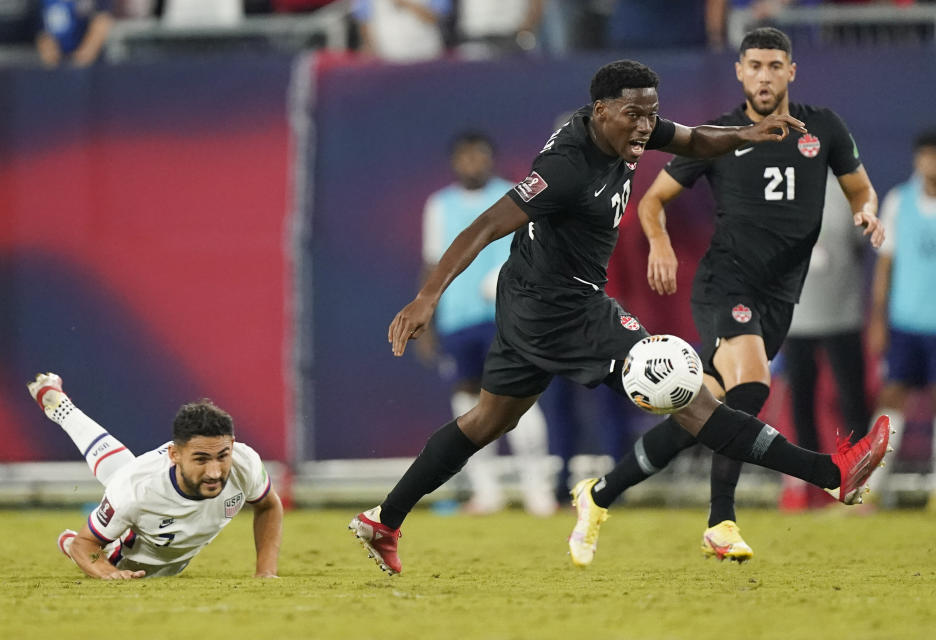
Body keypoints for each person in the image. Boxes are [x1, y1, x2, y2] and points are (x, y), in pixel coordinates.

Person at [347, 58, 891, 575]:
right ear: (600, 110)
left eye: (652, 113)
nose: (647, 126)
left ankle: (383, 521)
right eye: (635, 115)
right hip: (561, 309)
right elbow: (487, 224)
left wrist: (743, 136)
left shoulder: (629, 125)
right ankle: (830, 474)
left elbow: (694, 138)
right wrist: (428, 296)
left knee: (489, 420)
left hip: (537, 297)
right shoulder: (565, 168)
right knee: (692, 395)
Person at [576, 28, 884, 564]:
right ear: (739, 73)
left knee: (705, 413)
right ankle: (727, 517)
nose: (764, 75)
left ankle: (599, 494)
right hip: (727, 283)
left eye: (774, 65)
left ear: (791, 72)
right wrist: (661, 244)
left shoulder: (826, 128)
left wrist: (866, 210)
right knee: (752, 386)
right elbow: (653, 203)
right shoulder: (718, 134)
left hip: (781, 295)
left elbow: (858, 185)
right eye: (754, 66)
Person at [27, 372, 283, 580]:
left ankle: (61, 406)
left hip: (171, 551)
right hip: (126, 557)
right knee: (124, 485)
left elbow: (269, 506)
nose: (215, 472)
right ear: (174, 455)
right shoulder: (135, 490)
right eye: (201, 460)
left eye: (222, 456)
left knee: (123, 472)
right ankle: (67, 543)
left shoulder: (244, 461)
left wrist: (266, 572)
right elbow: (87, 544)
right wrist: (107, 572)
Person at [419, 131, 556, 516]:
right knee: (468, 402)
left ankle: (537, 492)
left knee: (520, 397)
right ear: (454, 162)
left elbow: (539, 253)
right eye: (465, 156)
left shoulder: (515, 195)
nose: (472, 163)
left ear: (491, 159)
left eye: (479, 156)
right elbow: (432, 263)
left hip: (508, 315)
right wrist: (427, 318)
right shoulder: (439, 205)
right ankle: (487, 491)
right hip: (457, 319)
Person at [780, 173, 871, 511]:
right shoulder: (782, 186)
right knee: (801, 402)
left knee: (852, 399)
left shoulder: (852, 190)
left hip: (842, 313)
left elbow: (860, 245)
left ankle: (858, 483)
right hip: (797, 316)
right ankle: (809, 486)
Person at [866, 129, 936, 507]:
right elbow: (885, 266)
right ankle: (870, 489)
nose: (931, 163)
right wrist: (879, 318)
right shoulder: (898, 201)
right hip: (905, 322)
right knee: (891, 397)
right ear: (917, 160)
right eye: (926, 156)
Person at [353, 0, 451, 63]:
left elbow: (434, 18)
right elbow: (364, 20)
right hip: (388, 56)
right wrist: (370, 48)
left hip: (427, 53)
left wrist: (406, 3)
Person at [35, 0, 113, 68]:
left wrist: (81, 58)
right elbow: (40, 31)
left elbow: (102, 21)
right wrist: (46, 46)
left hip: (91, 68)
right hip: (56, 65)